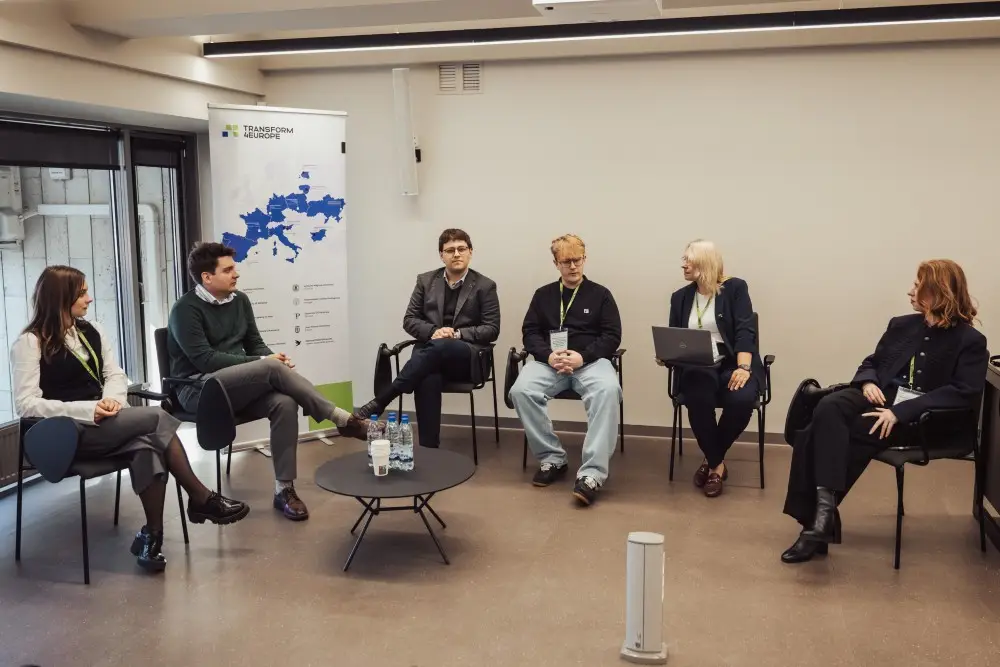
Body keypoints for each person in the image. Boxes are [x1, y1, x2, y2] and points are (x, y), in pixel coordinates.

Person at [12, 266, 249, 574]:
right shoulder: (30, 343)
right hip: (63, 435)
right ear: (62, 298)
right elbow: (26, 404)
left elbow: (115, 375)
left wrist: (112, 400)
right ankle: (200, 496)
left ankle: (152, 537)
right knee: (155, 419)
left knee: (147, 447)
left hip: (104, 426)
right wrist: (89, 409)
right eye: (82, 293)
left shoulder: (91, 330)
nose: (90, 298)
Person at [781, 259, 988, 563]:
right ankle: (823, 516)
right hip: (879, 398)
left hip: (920, 418)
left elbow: (963, 392)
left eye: (918, 286)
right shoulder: (901, 324)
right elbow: (872, 363)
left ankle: (814, 524)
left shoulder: (970, 341)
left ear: (938, 291)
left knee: (819, 433)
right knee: (828, 407)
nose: (910, 291)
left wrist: (901, 412)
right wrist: (866, 383)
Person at [167, 242, 367, 522]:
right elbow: (206, 361)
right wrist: (264, 364)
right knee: (271, 369)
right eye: (228, 270)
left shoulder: (240, 300)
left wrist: (269, 357)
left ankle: (284, 490)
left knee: (284, 402)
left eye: (234, 268)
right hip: (199, 390)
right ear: (206, 278)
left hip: (235, 385)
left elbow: (254, 344)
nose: (236, 274)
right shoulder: (184, 310)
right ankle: (343, 419)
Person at [354, 229, 500, 447]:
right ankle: (429, 449)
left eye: (461, 249)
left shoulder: (485, 286)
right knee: (426, 376)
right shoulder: (425, 281)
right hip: (430, 359)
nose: (456, 254)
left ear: (470, 252)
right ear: (441, 255)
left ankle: (383, 399)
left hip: (466, 357)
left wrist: (456, 334)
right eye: (450, 250)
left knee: (440, 349)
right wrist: (434, 332)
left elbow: (491, 328)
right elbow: (410, 320)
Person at [509, 234, 622, 506]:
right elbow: (530, 333)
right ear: (555, 264)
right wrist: (549, 356)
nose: (573, 266)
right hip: (551, 364)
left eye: (577, 260)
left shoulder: (601, 295)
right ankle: (552, 459)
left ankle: (592, 474)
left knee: (608, 390)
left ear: (585, 259)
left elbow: (612, 336)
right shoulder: (543, 295)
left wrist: (582, 357)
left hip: (590, 363)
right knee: (521, 390)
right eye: (566, 261)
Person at [663, 240, 762, 497]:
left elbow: (744, 331)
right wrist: (667, 355)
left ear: (705, 262)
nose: (683, 264)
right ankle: (718, 466)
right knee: (697, 397)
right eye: (683, 259)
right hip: (697, 365)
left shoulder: (735, 289)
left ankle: (711, 459)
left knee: (741, 399)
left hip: (732, 362)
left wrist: (743, 367)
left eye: (688, 259)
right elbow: (675, 336)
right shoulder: (680, 297)